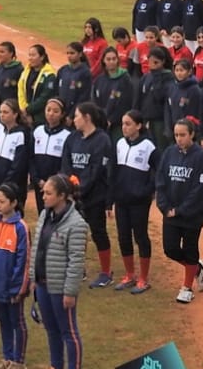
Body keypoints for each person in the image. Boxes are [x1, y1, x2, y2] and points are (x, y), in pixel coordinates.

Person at [30, 175, 88, 369]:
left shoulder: (76, 224)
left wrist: (70, 291)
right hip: (43, 283)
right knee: (51, 328)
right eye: (44, 192)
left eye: (48, 193)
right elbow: (37, 248)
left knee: (68, 330)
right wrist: (33, 278)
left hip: (61, 287)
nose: (43, 196)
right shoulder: (45, 215)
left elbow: (76, 261)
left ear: (62, 196)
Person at [155, 118, 203, 304]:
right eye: (176, 135)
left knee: (190, 248)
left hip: (191, 215)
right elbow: (161, 181)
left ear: (192, 134)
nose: (179, 138)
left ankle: (187, 287)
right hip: (170, 211)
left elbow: (199, 189)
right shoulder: (169, 153)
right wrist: (164, 206)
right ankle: (196, 268)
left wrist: (180, 210)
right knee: (170, 249)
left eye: (183, 135)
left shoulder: (200, 157)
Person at [60, 102, 115, 289]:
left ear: (87, 118)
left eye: (76, 116)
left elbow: (97, 170)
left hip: (94, 196)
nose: (73, 119)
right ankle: (78, 269)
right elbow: (66, 164)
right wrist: (69, 187)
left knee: (98, 232)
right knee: (74, 233)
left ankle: (106, 273)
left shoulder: (102, 140)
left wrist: (80, 188)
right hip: (73, 195)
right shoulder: (72, 138)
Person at [0, 184, 31, 369]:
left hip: (13, 288)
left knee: (17, 322)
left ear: (13, 203)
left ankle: (19, 361)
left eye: (3, 201)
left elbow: (23, 260)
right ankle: (7, 357)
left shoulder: (20, 228)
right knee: (3, 321)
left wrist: (18, 288)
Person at [109, 110, 157, 294]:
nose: (124, 127)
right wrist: (110, 200)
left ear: (139, 125)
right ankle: (130, 274)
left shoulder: (148, 146)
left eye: (128, 123)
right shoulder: (119, 143)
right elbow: (112, 171)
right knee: (123, 236)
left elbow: (157, 171)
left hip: (139, 201)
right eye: (123, 123)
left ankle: (143, 278)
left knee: (141, 236)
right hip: (121, 200)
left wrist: (146, 191)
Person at [0, 99, 32, 211]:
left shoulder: (21, 134)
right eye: (1, 112)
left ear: (15, 114)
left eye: (6, 112)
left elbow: (18, 165)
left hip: (13, 186)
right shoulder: (0, 132)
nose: (2, 115)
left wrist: (4, 186)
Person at [31, 99, 72, 205]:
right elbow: (31, 159)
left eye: (55, 111)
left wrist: (55, 182)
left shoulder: (67, 135)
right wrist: (37, 179)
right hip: (39, 182)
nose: (51, 114)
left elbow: (65, 163)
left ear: (62, 114)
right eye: (48, 110)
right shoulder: (37, 131)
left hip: (56, 183)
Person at [92, 46, 135, 137]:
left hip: (118, 124)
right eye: (108, 59)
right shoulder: (99, 80)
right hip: (102, 123)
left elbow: (126, 102)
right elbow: (95, 100)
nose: (111, 62)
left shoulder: (124, 79)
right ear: (103, 61)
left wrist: (111, 120)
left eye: (114, 59)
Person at [18, 45, 59, 121]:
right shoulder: (25, 72)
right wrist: (23, 109)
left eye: (33, 55)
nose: (30, 58)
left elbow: (45, 97)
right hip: (25, 115)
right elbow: (21, 91)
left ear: (42, 57)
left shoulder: (49, 75)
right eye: (29, 55)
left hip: (40, 117)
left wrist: (28, 110)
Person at [56, 42, 93, 114]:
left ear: (80, 54)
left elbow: (84, 96)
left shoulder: (85, 72)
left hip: (76, 113)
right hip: (61, 112)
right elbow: (56, 91)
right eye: (67, 53)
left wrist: (72, 115)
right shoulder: (63, 70)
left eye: (72, 53)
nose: (69, 56)